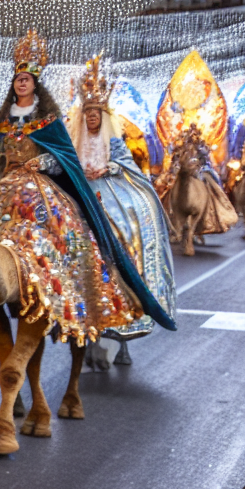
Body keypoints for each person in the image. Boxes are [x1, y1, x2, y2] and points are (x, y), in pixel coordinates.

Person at [0, 29, 175, 339]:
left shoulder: (49, 122)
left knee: (64, 225)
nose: (22, 82)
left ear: (35, 84)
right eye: (18, 79)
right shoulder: (2, 122)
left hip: (39, 184)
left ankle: (67, 284)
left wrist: (41, 163)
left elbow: (62, 157)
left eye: (27, 79)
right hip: (6, 183)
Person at [70, 54, 178, 339]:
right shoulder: (75, 142)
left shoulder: (114, 141)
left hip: (109, 191)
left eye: (96, 113)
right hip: (83, 191)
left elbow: (126, 164)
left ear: (103, 116)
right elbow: (67, 164)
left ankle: (131, 293)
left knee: (126, 227)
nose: (92, 117)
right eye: (88, 113)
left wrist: (107, 168)